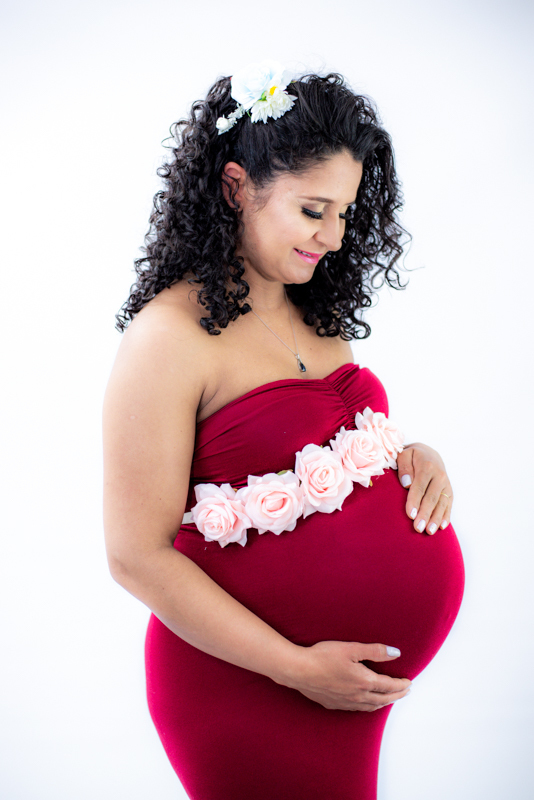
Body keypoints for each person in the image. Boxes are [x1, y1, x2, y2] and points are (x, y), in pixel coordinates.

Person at [102, 62, 465, 800]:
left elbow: (313, 452)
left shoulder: (313, 311)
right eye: (312, 211)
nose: (333, 237)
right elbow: (135, 555)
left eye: (345, 213)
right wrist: (296, 668)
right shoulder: (168, 336)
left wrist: (412, 458)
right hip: (246, 686)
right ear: (237, 187)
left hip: (340, 693)